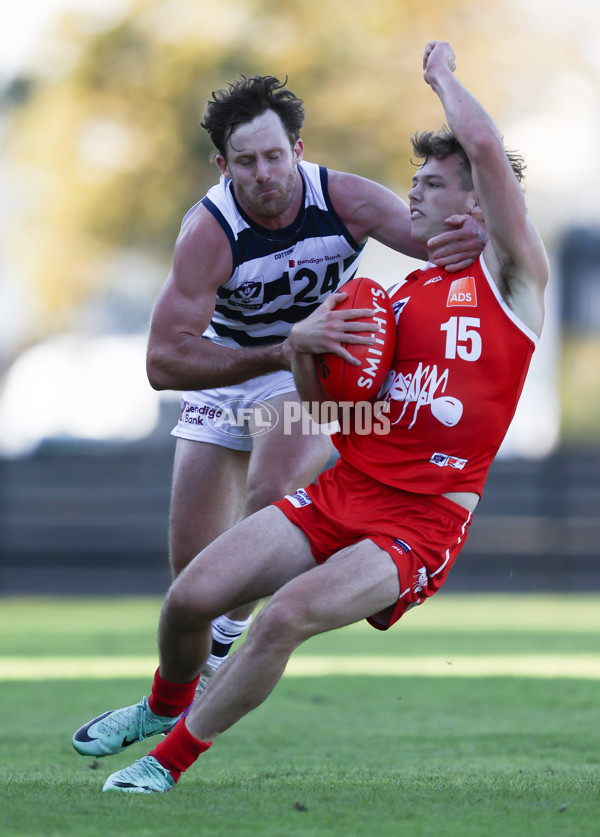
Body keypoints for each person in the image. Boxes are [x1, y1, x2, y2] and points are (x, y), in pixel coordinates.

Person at [73, 40, 548, 793]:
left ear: (478, 201)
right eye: (415, 181)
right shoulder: (391, 301)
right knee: (189, 595)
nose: (412, 195)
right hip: (336, 480)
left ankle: (162, 768)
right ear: (224, 167)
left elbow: (485, 149)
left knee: (284, 613)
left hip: (419, 520)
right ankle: (163, 702)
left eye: (428, 183)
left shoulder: (515, 281)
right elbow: (332, 409)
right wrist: (302, 347)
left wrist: (442, 76)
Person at [144, 72, 485, 690]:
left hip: (300, 371)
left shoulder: (345, 199)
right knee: (191, 578)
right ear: (223, 165)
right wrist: (277, 349)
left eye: (275, 156)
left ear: (298, 151)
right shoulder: (209, 233)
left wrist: (481, 229)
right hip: (230, 368)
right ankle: (166, 696)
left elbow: (440, 243)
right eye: (246, 162)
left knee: (272, 486)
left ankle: (220, 655)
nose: (264, 173)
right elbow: (163, 362)